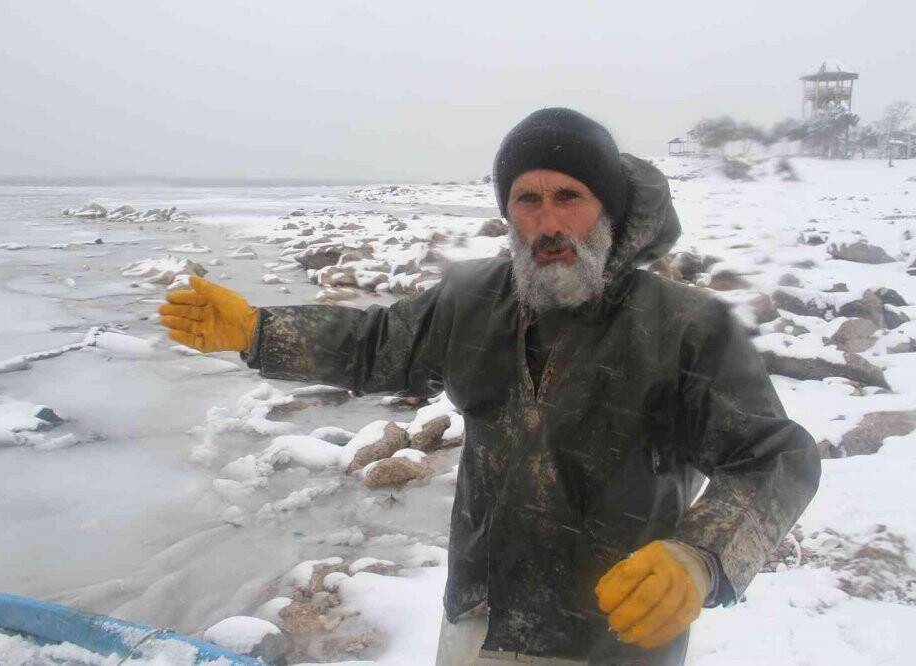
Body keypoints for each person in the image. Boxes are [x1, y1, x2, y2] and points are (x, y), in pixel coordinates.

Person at [158, 107, 821, 665]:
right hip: (480, 620)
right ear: (507, 212)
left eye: (570, 197)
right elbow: (374, 345)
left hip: (613, 639)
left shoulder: (684, 327)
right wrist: (257, 331)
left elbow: (776, 458)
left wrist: (699, 556)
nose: (549, 222)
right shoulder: (471, 298)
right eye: (527, 199)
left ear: (608, 210)